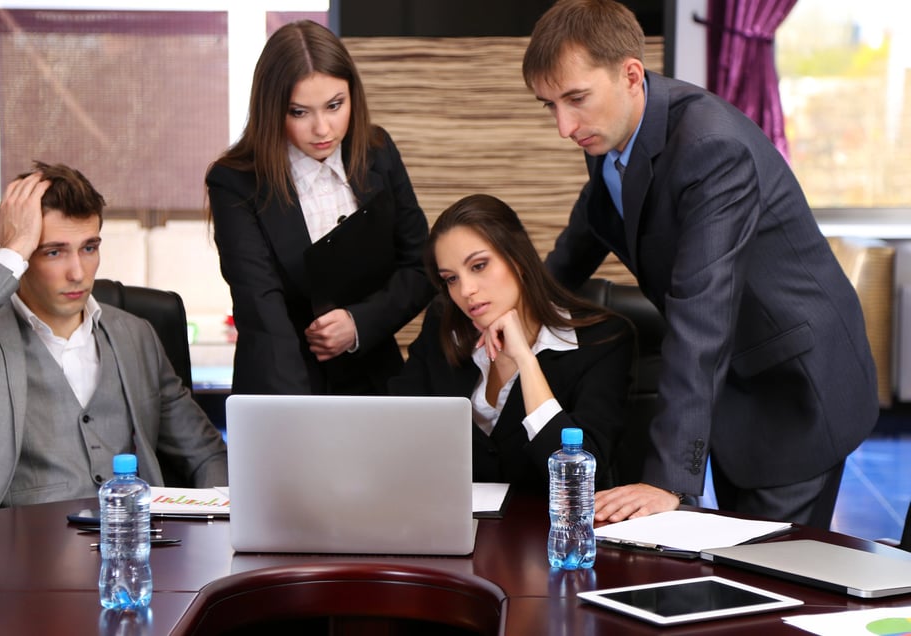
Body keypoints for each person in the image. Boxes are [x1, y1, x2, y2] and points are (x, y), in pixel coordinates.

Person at [521, 0, 878, 527]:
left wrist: (668, 480)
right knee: (736, 559)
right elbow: (593, 219)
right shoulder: (610, 127)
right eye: (549, 105)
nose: (564, 126)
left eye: (575, 99)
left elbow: (701, 310)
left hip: (794, 383)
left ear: (630, 74)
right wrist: (532, 306)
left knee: (772, 570)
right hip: (737, 381)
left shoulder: (711, 147)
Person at [0, 162, 227, 524]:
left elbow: (206, 454)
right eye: (53, 252)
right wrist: (12, 250)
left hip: (119, 551)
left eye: (89, 248)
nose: (78, 272)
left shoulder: (137, 335)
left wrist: (218, 527)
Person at [206, 20, 434, 395]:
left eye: (334, 106)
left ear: (352, 96)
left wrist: (359, 323)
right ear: (272, 110)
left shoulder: (377, 152)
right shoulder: (235, 182)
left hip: (373, 375)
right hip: (280, 380)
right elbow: (262, 309)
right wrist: (302, 413)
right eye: (299, 112)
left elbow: (419, 265)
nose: (322, 129)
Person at [389, 194, 633, 493]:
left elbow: (578, 480)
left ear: (517, 259)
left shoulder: (603, 340)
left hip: (553, 532)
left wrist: (526, 362)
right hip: (456, 529)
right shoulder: (443, 328)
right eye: (451, 278)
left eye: (478, 266)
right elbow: (396, 432)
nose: (466, 290)